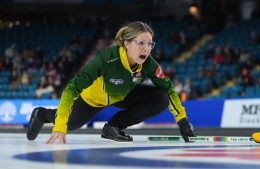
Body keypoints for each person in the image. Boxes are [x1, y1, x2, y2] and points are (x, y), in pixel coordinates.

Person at [27, 21, 195, 144]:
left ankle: (113, 127)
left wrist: (183, 122)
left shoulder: (149, 64)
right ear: (127, 44)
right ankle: (42, 114)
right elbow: (71, 89)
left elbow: (170, 89)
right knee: (71, 125)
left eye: (150, 43)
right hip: (93, 99)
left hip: (123, 94)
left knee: (161, 98)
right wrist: (60, 127)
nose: (146, 48)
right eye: (141, 43)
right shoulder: (106, 59)